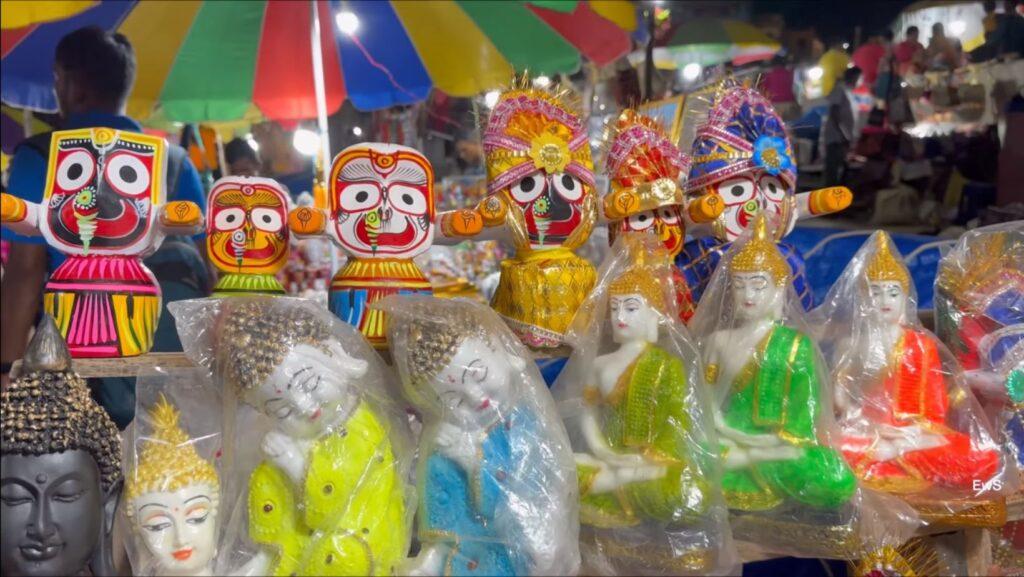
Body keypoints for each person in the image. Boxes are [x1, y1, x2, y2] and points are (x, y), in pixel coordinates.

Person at [0, 27, 207, 426]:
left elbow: (24, 272)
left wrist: (7, 368)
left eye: (57, 80)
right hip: (172, 363)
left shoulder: (41, 156)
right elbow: (205, 265)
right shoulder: (176, 161)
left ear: (72, 84)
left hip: (80, 358)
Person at [823, 66, 862, 187]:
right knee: (833, 171)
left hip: (842, 138)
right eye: (861, 78)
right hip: (836, 138)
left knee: (843, 168)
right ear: (855, 78)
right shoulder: (840, 90)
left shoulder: (849, 92)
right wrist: (844, 135)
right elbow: (835, 114)